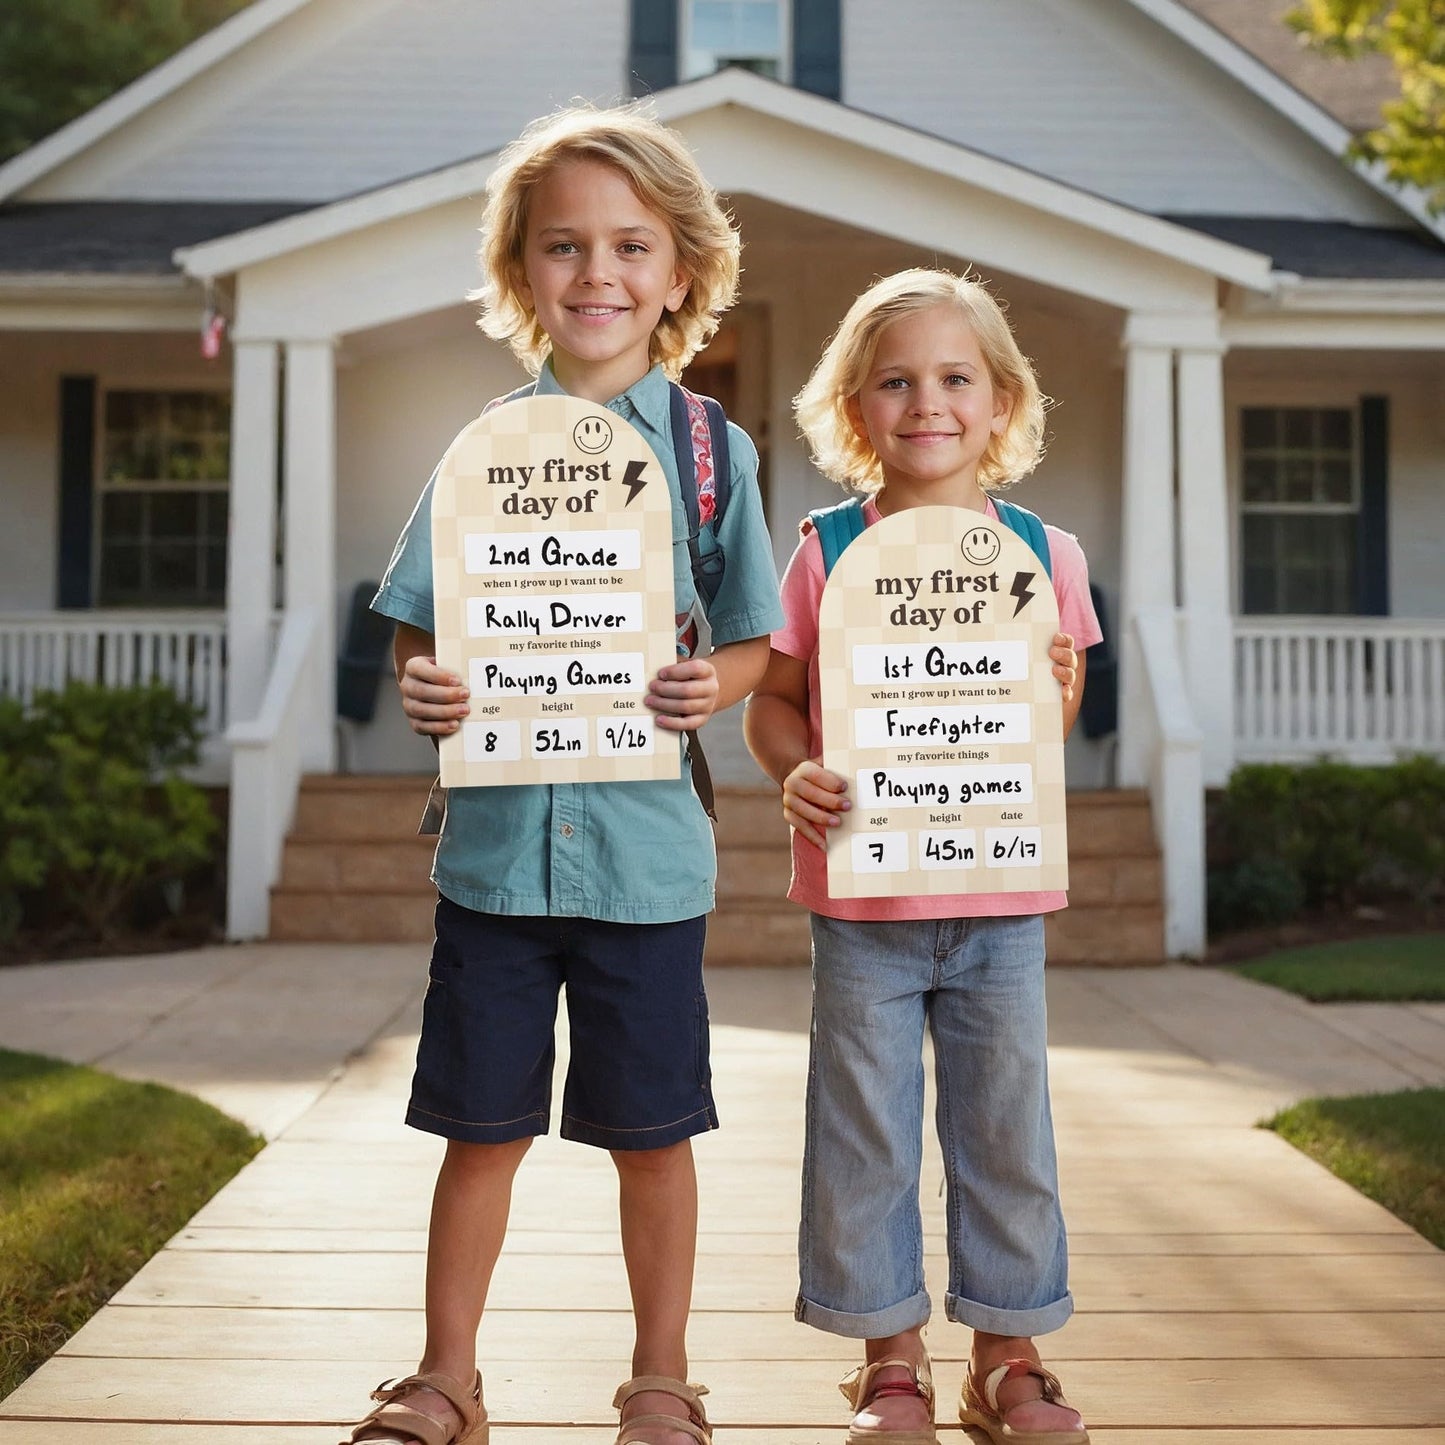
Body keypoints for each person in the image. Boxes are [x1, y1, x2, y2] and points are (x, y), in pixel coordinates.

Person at [347, 102, 783, 1445]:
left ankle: (661, 1377)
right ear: (520, 271)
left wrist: (712, 683)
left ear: (680, 273)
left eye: (629, 246)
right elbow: (426, 619)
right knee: (479, 1125)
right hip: (493, 857)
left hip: (648, 858)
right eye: (563, 246)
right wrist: (427, 686)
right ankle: (447, 1375)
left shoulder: (712, 455)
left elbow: (757, 639)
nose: (597, 274)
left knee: (653, 1130)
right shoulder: (482, 450)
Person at [744, 268, 1099, 1445]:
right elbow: (775, 703)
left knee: (1005, 1123)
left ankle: (1008, 1353)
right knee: (863, 1127)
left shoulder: (1045, 552)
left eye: (955, 378)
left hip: (996, 895)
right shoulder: (825, 549)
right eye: (894, 380)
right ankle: (886, 1358)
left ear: (1001, 402)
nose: (926, 402)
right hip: (862, 894)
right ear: (854, 408)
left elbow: (1054, 706)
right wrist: (791, 768)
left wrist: (1054, 690)